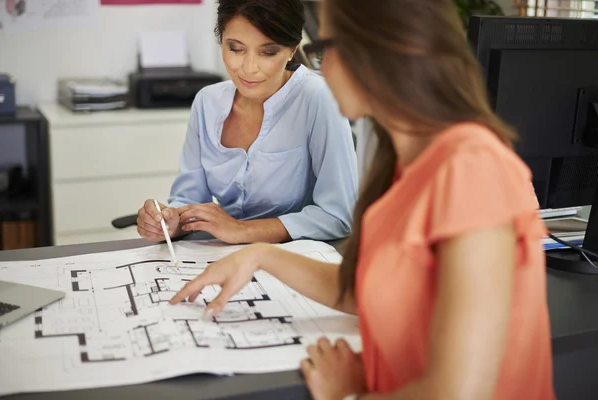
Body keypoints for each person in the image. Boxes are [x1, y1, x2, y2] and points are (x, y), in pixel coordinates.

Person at [170, 0, 556, 399]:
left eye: (326, 48)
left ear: (383, 50)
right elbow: (368, 291)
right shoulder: (401, 165)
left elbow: (460, 392)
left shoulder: (471, 169)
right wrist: (259, 256)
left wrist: (345, 396)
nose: (322, 68)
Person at [136, 0, 358, 245]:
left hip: (294, 260)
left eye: (268, 52)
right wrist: (170, 220)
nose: (249, 68)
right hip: (222, 256)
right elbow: (189, 198)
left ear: (292, 49)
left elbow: (337, 215)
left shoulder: (319, 97)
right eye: (236, 48)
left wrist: (242, 230)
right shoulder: (206, 102)